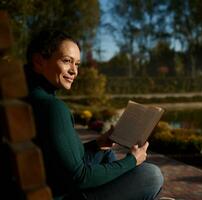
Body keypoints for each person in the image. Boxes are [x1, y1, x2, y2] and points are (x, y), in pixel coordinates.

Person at [24, 29, 164, 200]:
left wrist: (97, 144)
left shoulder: (27, 99)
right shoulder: (52, 108)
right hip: (62, 194)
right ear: (39, 62)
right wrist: (132, 160)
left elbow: (60, 161)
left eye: (77, 64)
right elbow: (80, 177)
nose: (74, 71)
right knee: (151, 175)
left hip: (50, 185)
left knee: (104, 152)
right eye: (67, 61)